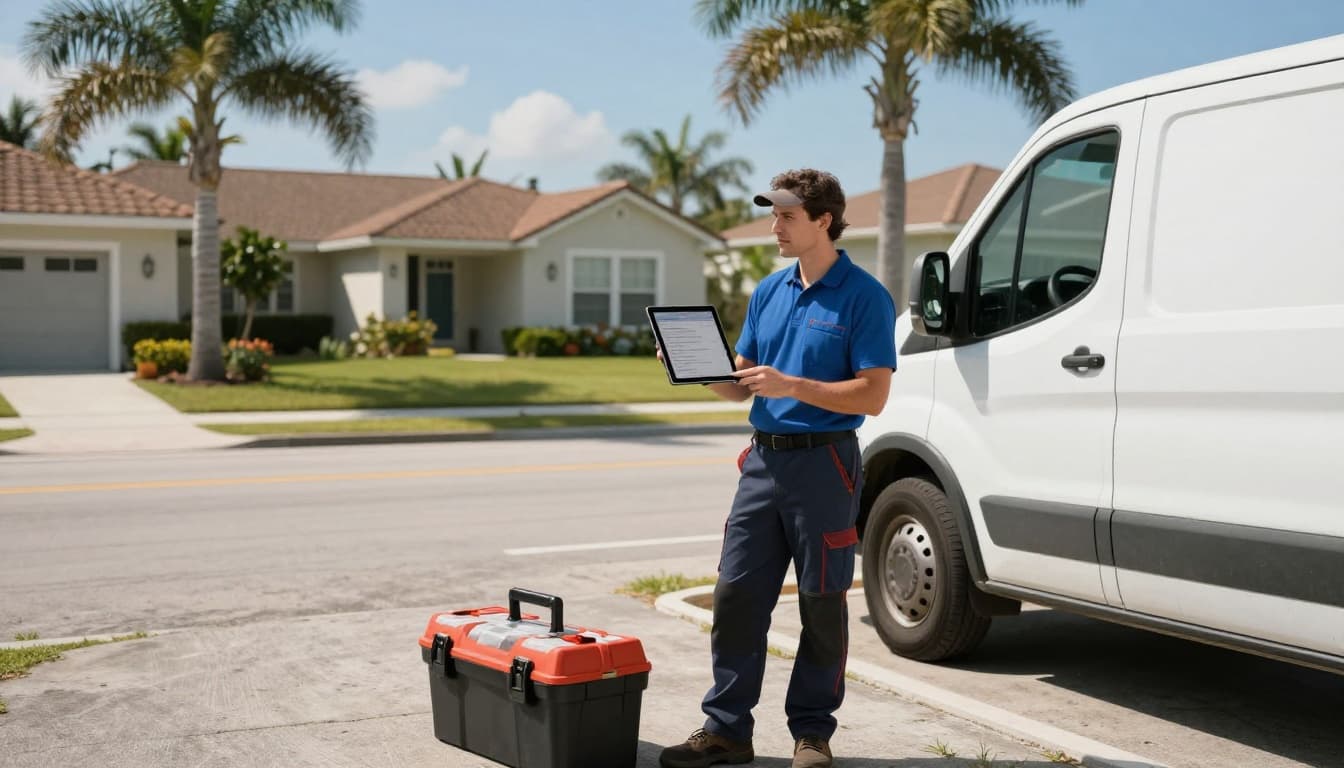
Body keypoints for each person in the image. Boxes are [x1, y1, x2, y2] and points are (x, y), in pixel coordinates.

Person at [660, 169, 897, 768]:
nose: (775, 227)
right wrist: (692, 365)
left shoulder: (864, 296)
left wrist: (793, 385)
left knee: (821, 599)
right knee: (736, 594)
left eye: (787, 216)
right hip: (762, 463)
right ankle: (727, 730)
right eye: (774, 215)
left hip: (825, 466)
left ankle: (812, 734)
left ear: (824, 221)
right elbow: (740, 386)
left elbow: (871, 396)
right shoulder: (769, 291)